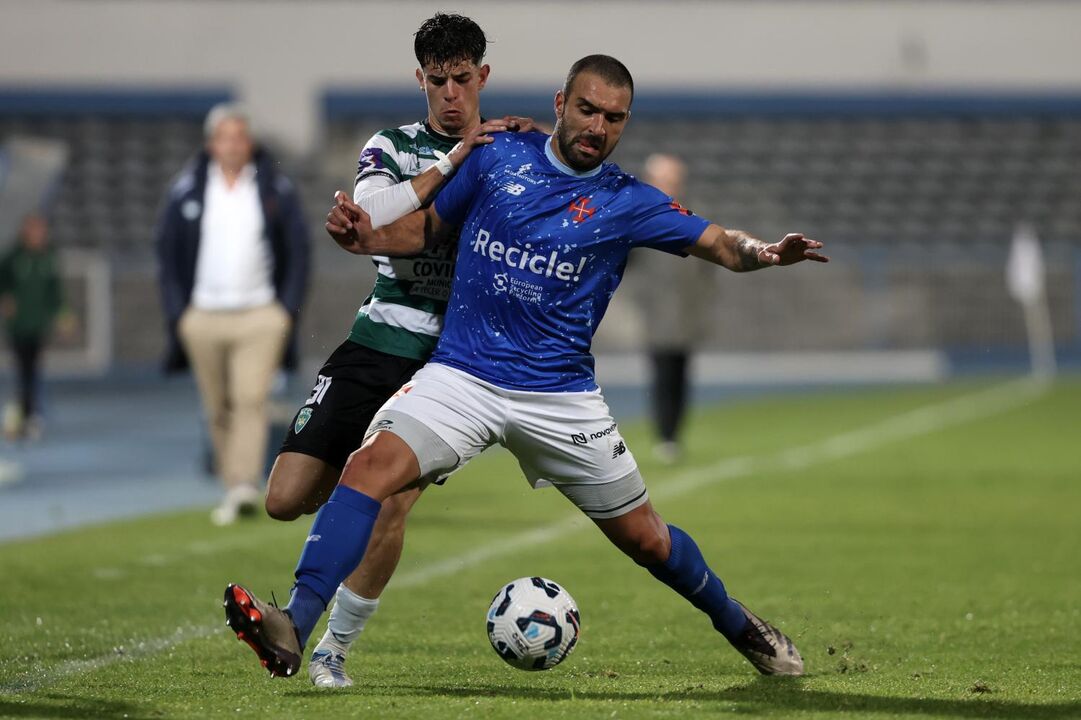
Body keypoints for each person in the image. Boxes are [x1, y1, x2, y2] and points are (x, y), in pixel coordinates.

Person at [224, 54, 827, 680]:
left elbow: (721, 244)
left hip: (558, 396)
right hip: (461, 375)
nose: (598, 127)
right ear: (561, 102)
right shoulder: (496, 155)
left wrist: (766, 252)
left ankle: (739, 624)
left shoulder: (628, 199)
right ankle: (294, 622)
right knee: (370, 468)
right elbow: (428, 227)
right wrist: (366, 238)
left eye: (614, 118)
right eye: (588, 110)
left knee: (646, 538)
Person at [263, 13, 529, 688]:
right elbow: (374, 210)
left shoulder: (508, 152)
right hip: (377, 337)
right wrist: (455, 159)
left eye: (462, 79)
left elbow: (397, 228)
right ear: (420, 80)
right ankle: (340, 535)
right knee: (285, 498)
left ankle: (329, 651)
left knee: (390, 501)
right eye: (437, 80)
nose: (449, 93)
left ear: (482, 77)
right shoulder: (394, 143)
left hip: (448, 359)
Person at [156, 103, 309, 526]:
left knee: (249, 400)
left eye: (240, 136)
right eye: (225, 137)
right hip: (202, 316)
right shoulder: (186, 189)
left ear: (250, 142)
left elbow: (298, 251)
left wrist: (285, 312)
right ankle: (232, 483)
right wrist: (179, 314)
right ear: (211, 144)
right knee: (218, 407)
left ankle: (243, 485)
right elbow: (166, 255)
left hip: (259, 315)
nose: (233, 145)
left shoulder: (275, 187)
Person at [632, 153, 712, 464]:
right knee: (662, 373)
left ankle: (673, 433)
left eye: (674, 177)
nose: (670, 183)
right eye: (664, 177)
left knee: (681, 373)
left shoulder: (694, 215)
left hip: (687, 308)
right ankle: (666, 435)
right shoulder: (639, 215)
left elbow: (708, 267)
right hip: (656, 309)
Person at [0, 213, 67, 440]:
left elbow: (54, 291)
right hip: (18, 325)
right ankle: (25, 413)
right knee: (23, 369)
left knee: (34, 369)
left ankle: (31, 412)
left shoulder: (48, 258)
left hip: (39, 323)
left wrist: (62, 314)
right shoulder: (13, 257)